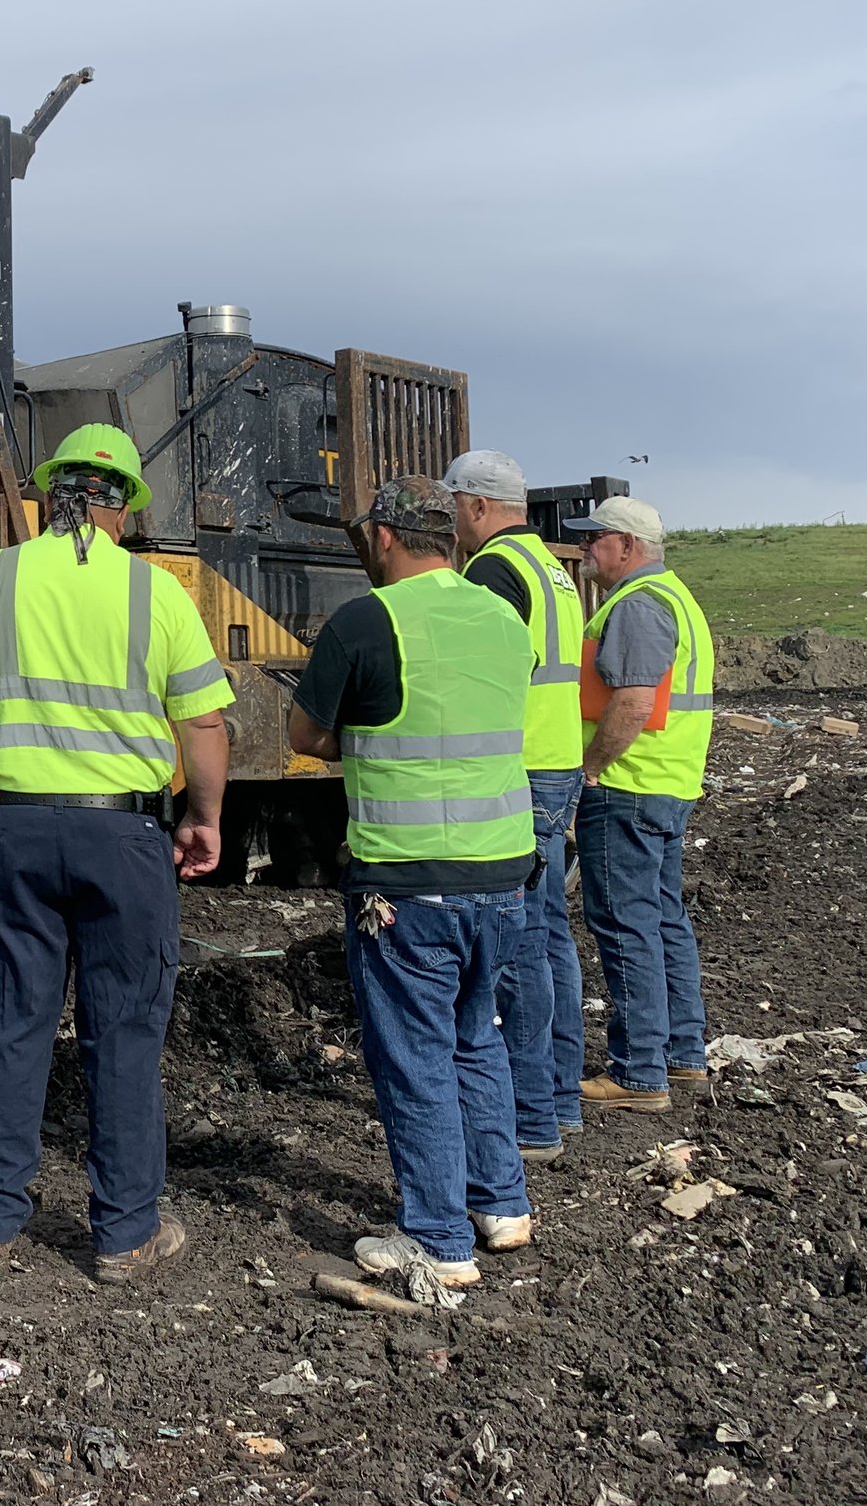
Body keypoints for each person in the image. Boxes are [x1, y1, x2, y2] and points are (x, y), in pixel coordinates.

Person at [0, 424, 232, 1285]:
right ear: (119, 502)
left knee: (10, 1023)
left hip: (12, 829)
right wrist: (203, 817)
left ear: (52, 494)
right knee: (124, 1033)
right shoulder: (154, 593)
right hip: (124, 837)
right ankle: (125, 1235)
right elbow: (202, 721)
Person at [285, 476, 537, 1290]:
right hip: (503, 876)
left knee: (415, 1056)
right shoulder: (504, 618)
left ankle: (436, 1236)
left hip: (407, 881)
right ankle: (501, 1204)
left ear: (384, 538)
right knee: (477, 1035)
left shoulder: (366, 621)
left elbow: (305, 732)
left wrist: (354, 738)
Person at [443, 448, 587, 1164]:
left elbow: (480, 667)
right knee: (551, 936)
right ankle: (559, 1096)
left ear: (475, 506)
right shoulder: (554, 569)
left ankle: (531, 1115)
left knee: (521, 946)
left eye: (452, 510)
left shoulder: (493, 571)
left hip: (520, 768)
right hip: (557, 761)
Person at [569, 494, 714, 1115]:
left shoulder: (636, 606)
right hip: (667, 785)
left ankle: (638, 1071)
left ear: (627, 546)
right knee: (661, 920)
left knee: (626, 924)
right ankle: (682, 1057)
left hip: (628, 787)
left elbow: (631, 703)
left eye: (596, 539)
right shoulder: (677, 597)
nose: (587, 551)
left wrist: (589, 771)